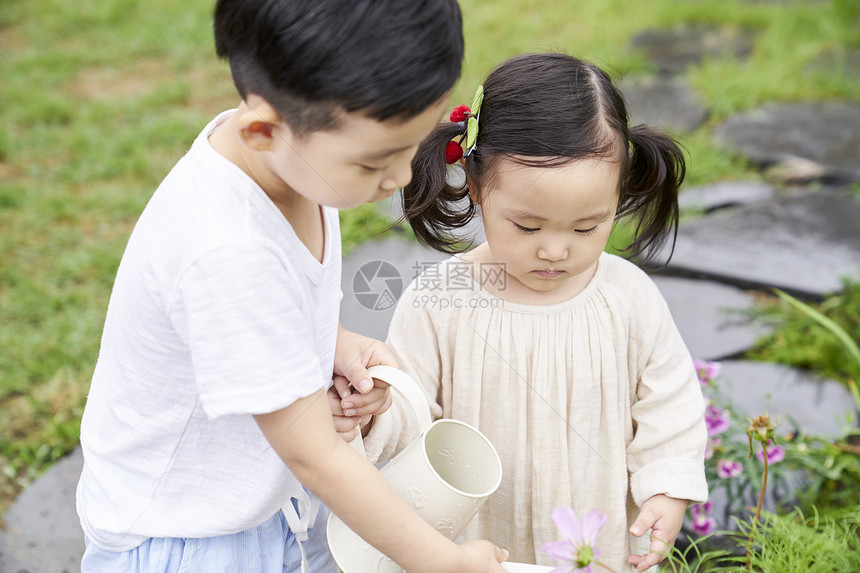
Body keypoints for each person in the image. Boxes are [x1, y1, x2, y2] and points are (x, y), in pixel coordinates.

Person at [75, 1, 511, 571]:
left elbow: (269, 309)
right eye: (376, 160)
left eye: (412, 146)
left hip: (259, 510)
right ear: (263, 129)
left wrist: (327, 338)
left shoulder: (287, 163)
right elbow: (317, 457)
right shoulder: (228, 252)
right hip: (186, 542)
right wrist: (445, 563)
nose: (401, 177)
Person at [353, 52, 709, 572]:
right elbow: (410, 416)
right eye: (528, 226)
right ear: (476, 189)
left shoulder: (627, 296)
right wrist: (375, 411)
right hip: (478, 547)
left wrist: (665, 489)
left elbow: (670, 405)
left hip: (598, 541)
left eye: (586, 227)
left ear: (619, 194)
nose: (555, 251)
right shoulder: (441, 300)